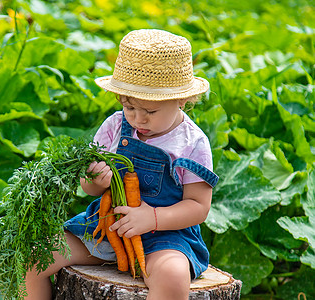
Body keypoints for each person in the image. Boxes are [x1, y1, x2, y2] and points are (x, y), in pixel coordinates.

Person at [24, 29, 219, 300]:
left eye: (150, 111)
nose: (138, 119)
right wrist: (94, 179)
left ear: (182, 100)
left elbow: (199, 207)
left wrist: (152, 218)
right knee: (35, 258)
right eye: (130, 107)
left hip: (164, 238)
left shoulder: (192, 143)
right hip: (105, 227)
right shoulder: (115, 126)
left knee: (173, 277)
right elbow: (88, 187)